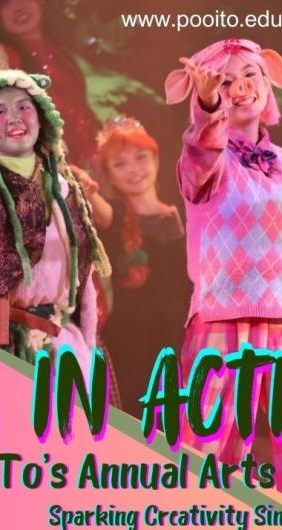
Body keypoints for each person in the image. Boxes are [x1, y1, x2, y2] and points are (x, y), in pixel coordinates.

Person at [165, 38, 282, 506]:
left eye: (250, 75)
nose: (240, 87)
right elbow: (199, 157)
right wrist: (208, 108)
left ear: (269, 82)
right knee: (208, 451)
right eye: (224, 82)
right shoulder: (207, 157)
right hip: (227, 316)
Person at [0, 69, 111, 376]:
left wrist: (87, 343)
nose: (13, 118)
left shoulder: (68, 190)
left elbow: (83, 279)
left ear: (42, 119)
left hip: (59, 344)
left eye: (23, 107)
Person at [91, 115, 189, 418]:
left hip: (183, 350)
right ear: (109, 175)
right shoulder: (113, 217)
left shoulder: (186, 212)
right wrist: (87, 189)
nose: (133, 169)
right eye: (120, 164)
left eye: (140, 157)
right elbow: (99, 207)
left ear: (156, 159)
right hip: (131, 356)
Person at [0, 0, 98, 165]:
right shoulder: (5, 59)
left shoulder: (60, 44)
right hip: (58, 166)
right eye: (5, 2)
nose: (18, 7)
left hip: (94, 157)